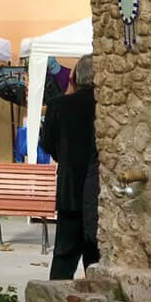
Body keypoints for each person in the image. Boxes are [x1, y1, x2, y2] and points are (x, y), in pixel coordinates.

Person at [41, 54, 99, 279]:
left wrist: (64, 157)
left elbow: (47, 145)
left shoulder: (58, 105)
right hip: (99, 194)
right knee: (97, 261)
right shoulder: (106, 106)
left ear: (74, 78)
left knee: (63, 259)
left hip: (69, 191)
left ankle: (56, 301)